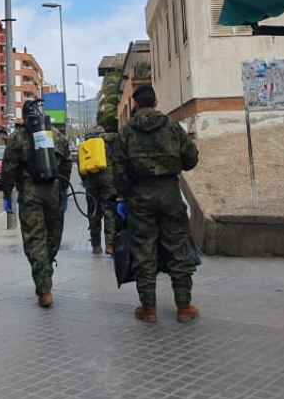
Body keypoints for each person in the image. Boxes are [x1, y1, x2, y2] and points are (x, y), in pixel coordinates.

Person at [113, 85, 200, 324]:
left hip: (140, 196)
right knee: (178, 248)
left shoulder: (127, 132)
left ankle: (149, 309)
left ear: (136, 104)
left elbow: (118, 170)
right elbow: (191, 159)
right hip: (170, 192)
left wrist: (123, 196)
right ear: (155, 101)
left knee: (143, 251)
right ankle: (183, 307)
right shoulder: (172, 127)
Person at [4, 99, 71, 308]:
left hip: (30, 193)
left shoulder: (16, 138)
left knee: (35, 241)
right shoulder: (57, 137)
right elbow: (67, 164)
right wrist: (63, 190)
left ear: (24, 118)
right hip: (53, 192)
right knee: (52, 238)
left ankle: (44, 289)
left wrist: (8, 194)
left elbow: (8, 169)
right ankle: (46, 275)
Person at [78, 124, 116, 255]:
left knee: (93, 212)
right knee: (109, 212)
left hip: (90, 183)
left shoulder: (84, 146)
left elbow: (80, 167)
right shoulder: (107, 143)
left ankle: (96, 246)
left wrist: (85, 181)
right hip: (108, 182)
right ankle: (110, 245)